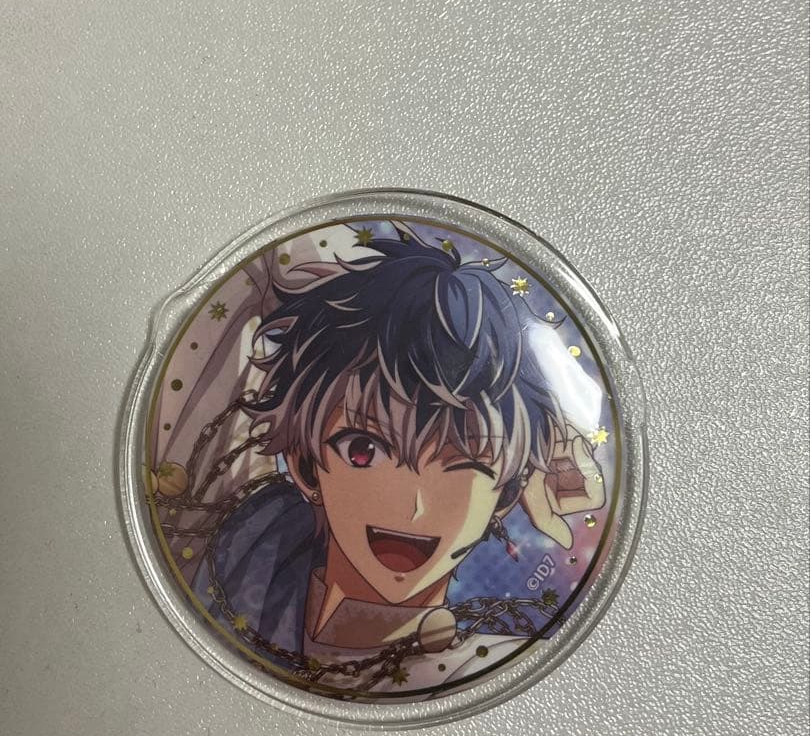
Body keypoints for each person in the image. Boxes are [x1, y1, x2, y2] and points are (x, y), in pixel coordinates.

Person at [193, 230, 605, 696]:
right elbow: (268, 260)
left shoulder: (478, 663)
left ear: (507, 494)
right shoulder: (243, 550)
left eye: (465, 465)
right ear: (306, 466)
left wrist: (547, 426)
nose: (413, 508)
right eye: (364, 451)